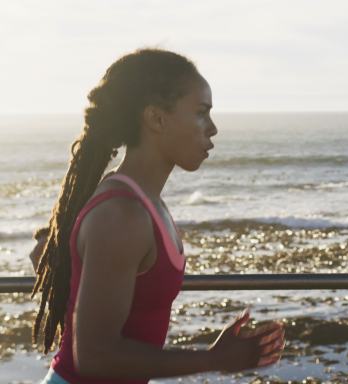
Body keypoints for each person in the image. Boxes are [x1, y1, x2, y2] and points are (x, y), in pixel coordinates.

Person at [30, 48, 285, 384]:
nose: (212, 128)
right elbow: (93, 358)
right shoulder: (123, 213)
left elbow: (58, 266)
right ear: (156, 119)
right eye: (200, 113)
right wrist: (214, 358)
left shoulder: (142, 203)